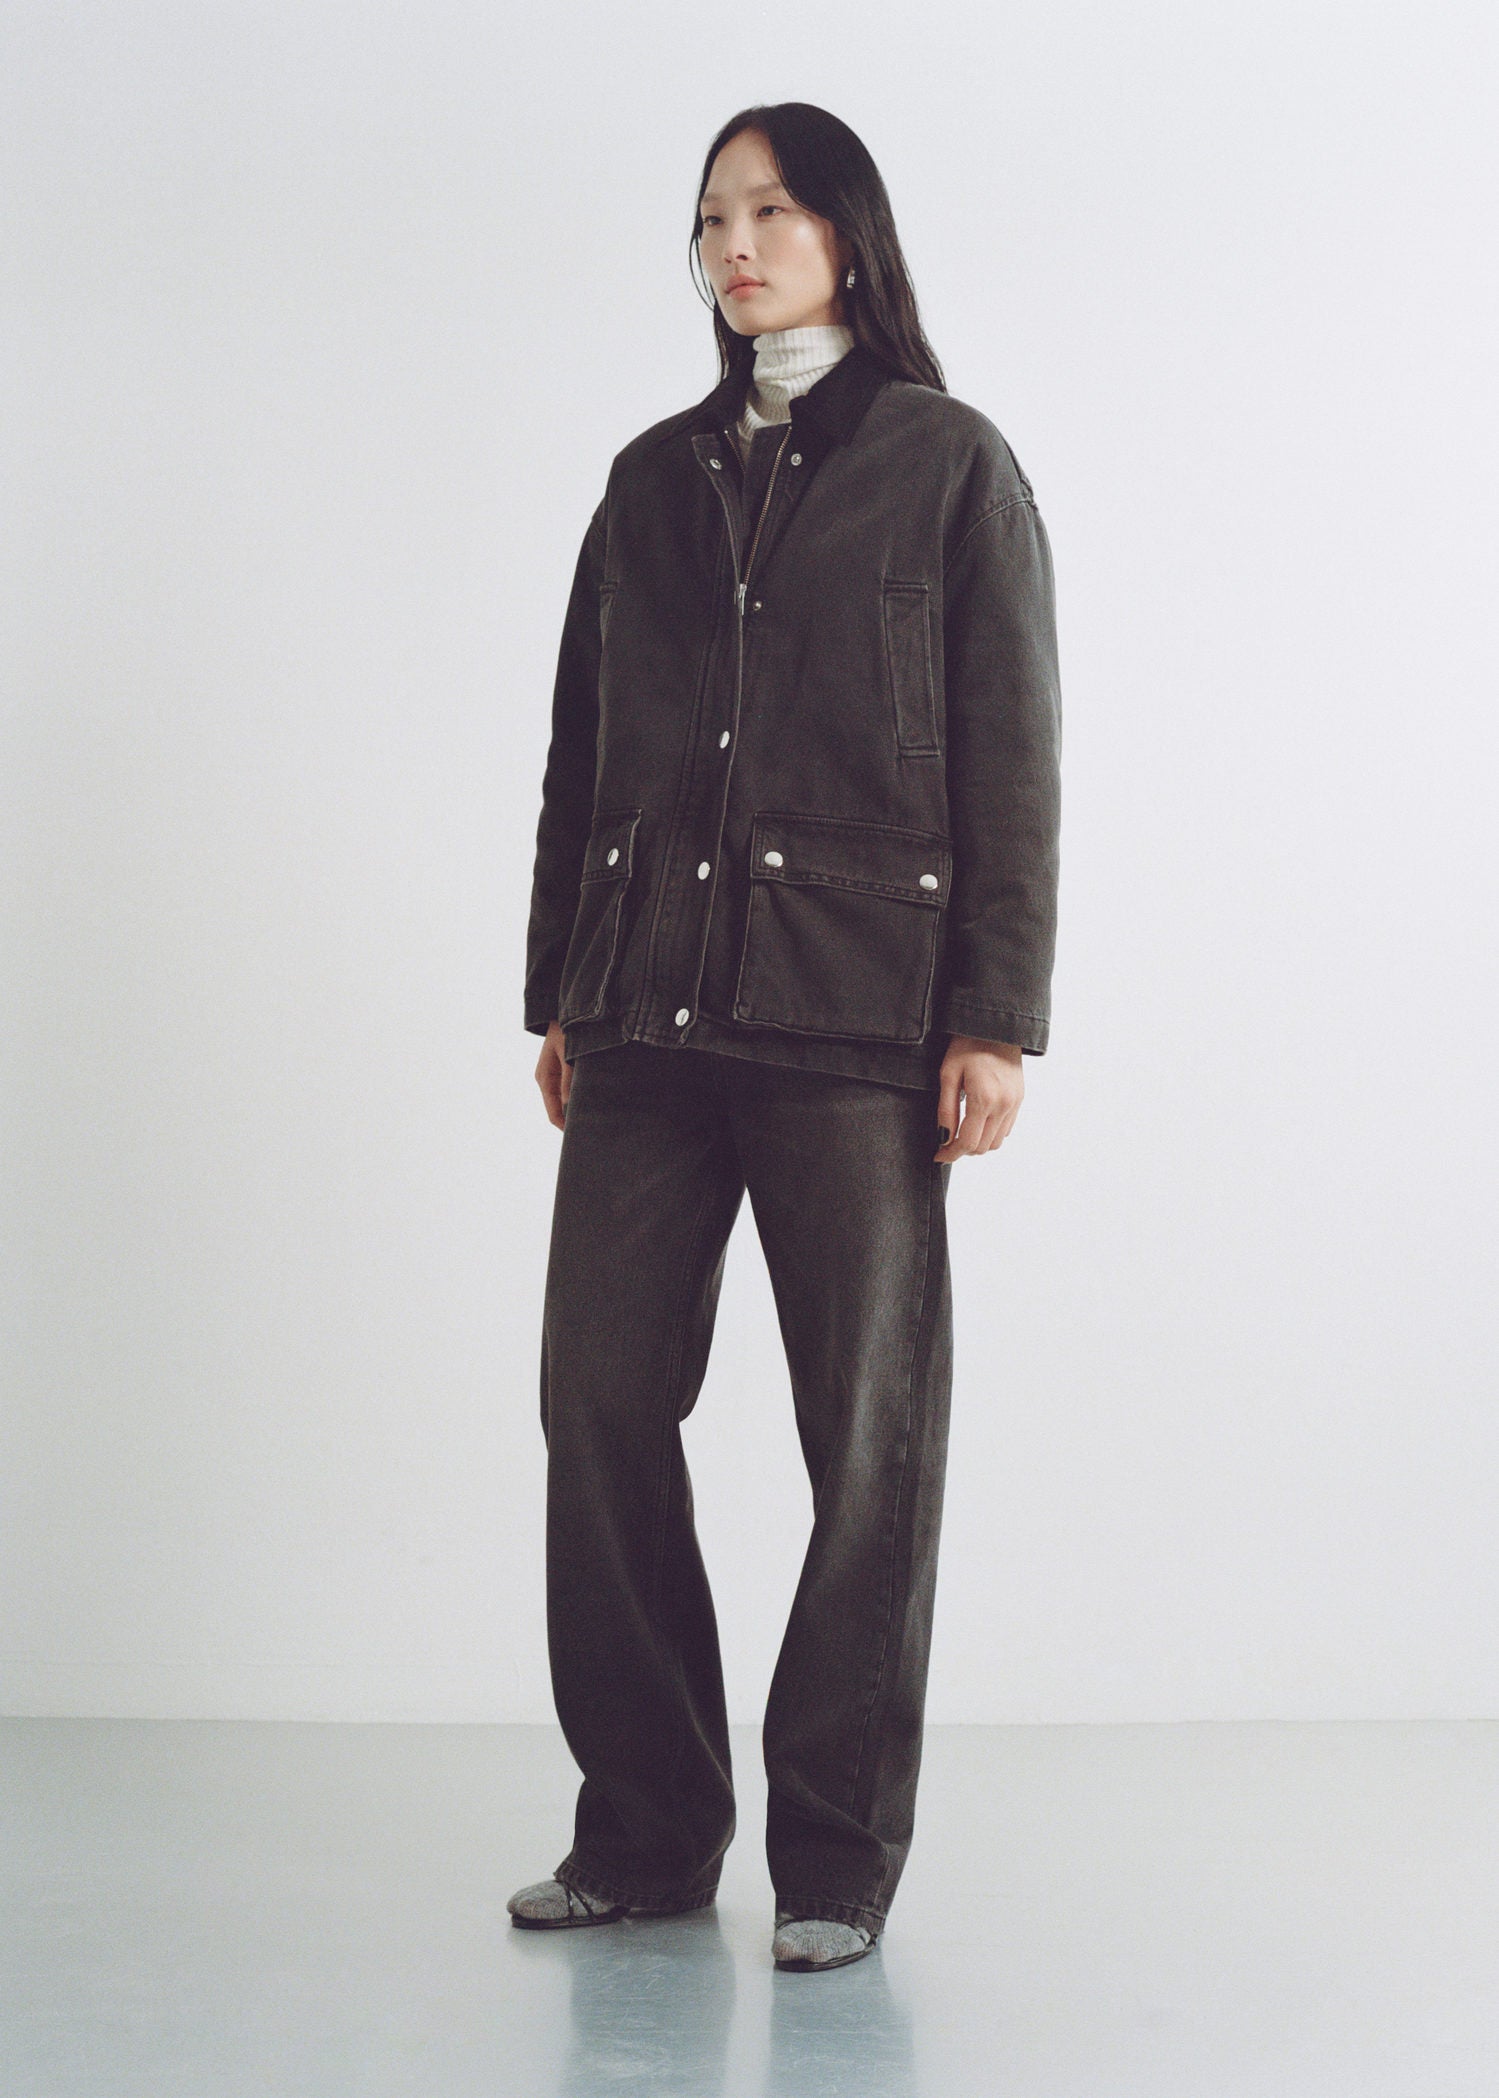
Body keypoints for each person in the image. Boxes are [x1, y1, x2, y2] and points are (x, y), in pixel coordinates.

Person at [509, 101, 1062, 1975]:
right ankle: (646, 1828)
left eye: (767, 210)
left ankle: (835, 1854)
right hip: (645, 1014)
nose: (733, 246)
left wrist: (994, 1015)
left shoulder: (949, 468)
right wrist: (559, 986)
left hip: (853, 1018)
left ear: (847, 232)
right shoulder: (647, 482)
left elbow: (1011, 752)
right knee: (598, 1400)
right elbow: (579, 752)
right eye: (709, 220)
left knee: (869, 1437)